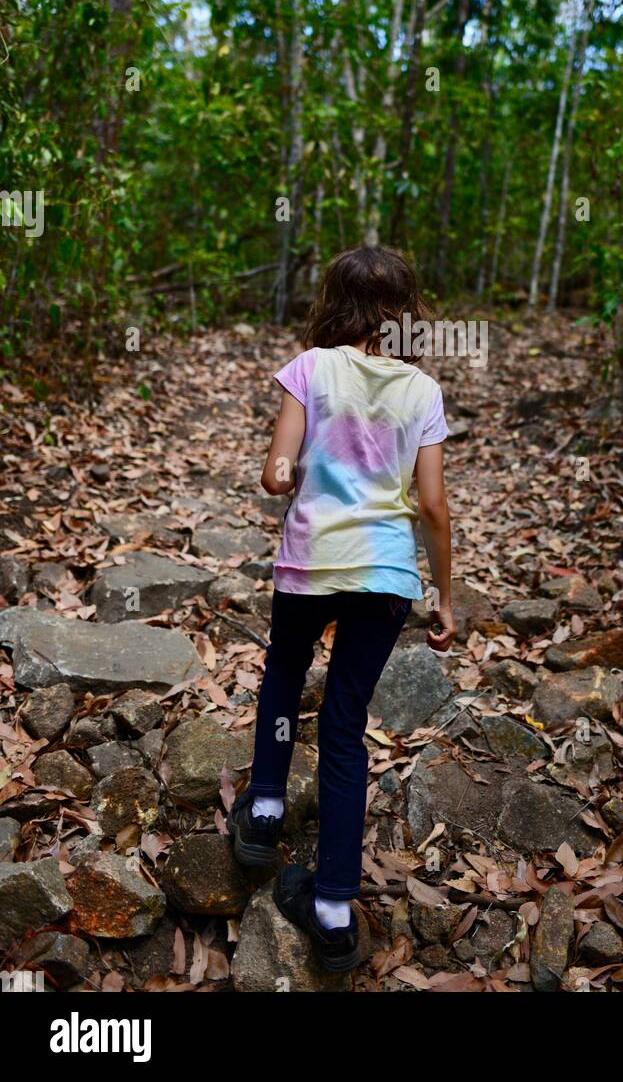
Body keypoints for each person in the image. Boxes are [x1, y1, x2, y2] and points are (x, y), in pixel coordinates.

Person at [228, 245, 455, 973]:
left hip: (312, 562)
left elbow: (275, 472)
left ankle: (263, 812)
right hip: (386, 575)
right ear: (405, 312)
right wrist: (444, 597)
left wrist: (282, 471)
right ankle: (331, 909)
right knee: (346, 724)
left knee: (284, 676)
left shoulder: (310, 367)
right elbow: (432, 507)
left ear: (333, 300)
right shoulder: (420, 389)